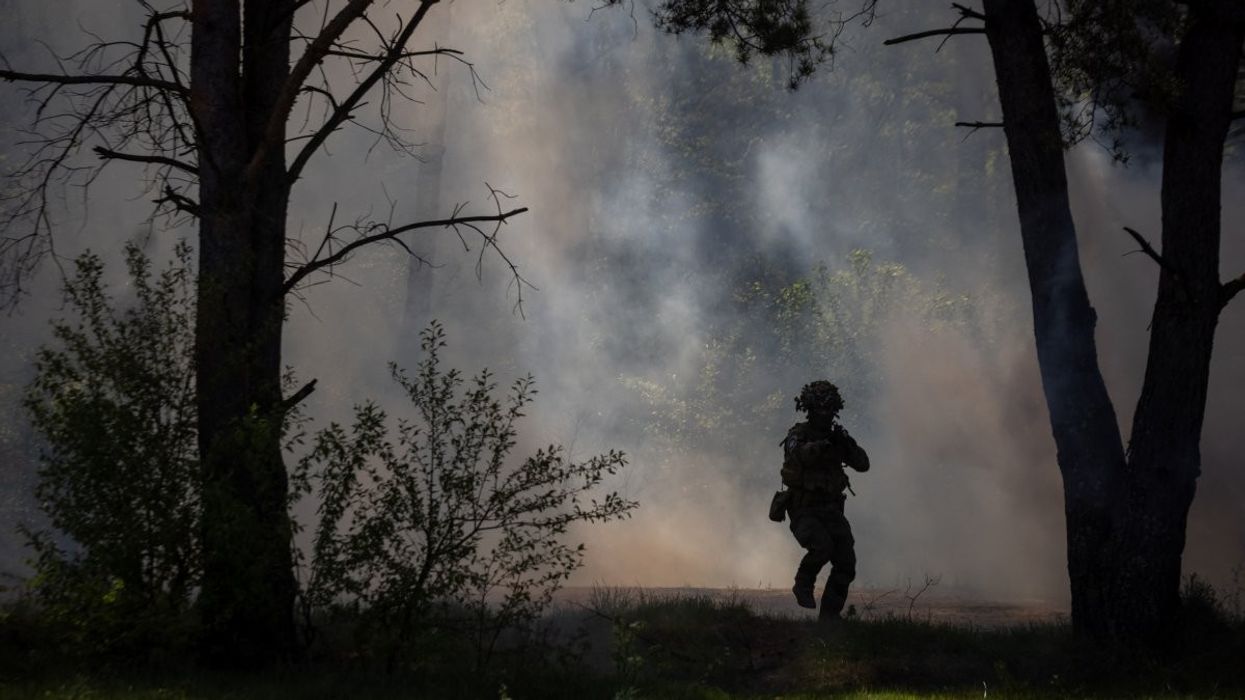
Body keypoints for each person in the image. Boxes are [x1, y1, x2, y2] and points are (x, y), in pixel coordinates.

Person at [780, 380, 869, 621]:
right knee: (822, 547)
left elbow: (863, 464)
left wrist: (846, 445)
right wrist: (823, 446)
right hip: (804, 510)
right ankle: (803, 584)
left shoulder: (837, 437)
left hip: (831, 511)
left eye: (829, 409)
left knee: (846, 562)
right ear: (809, 409)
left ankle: (829, 616)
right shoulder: (798, 435)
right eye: (819, 409)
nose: (825, 414)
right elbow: (801, 454)